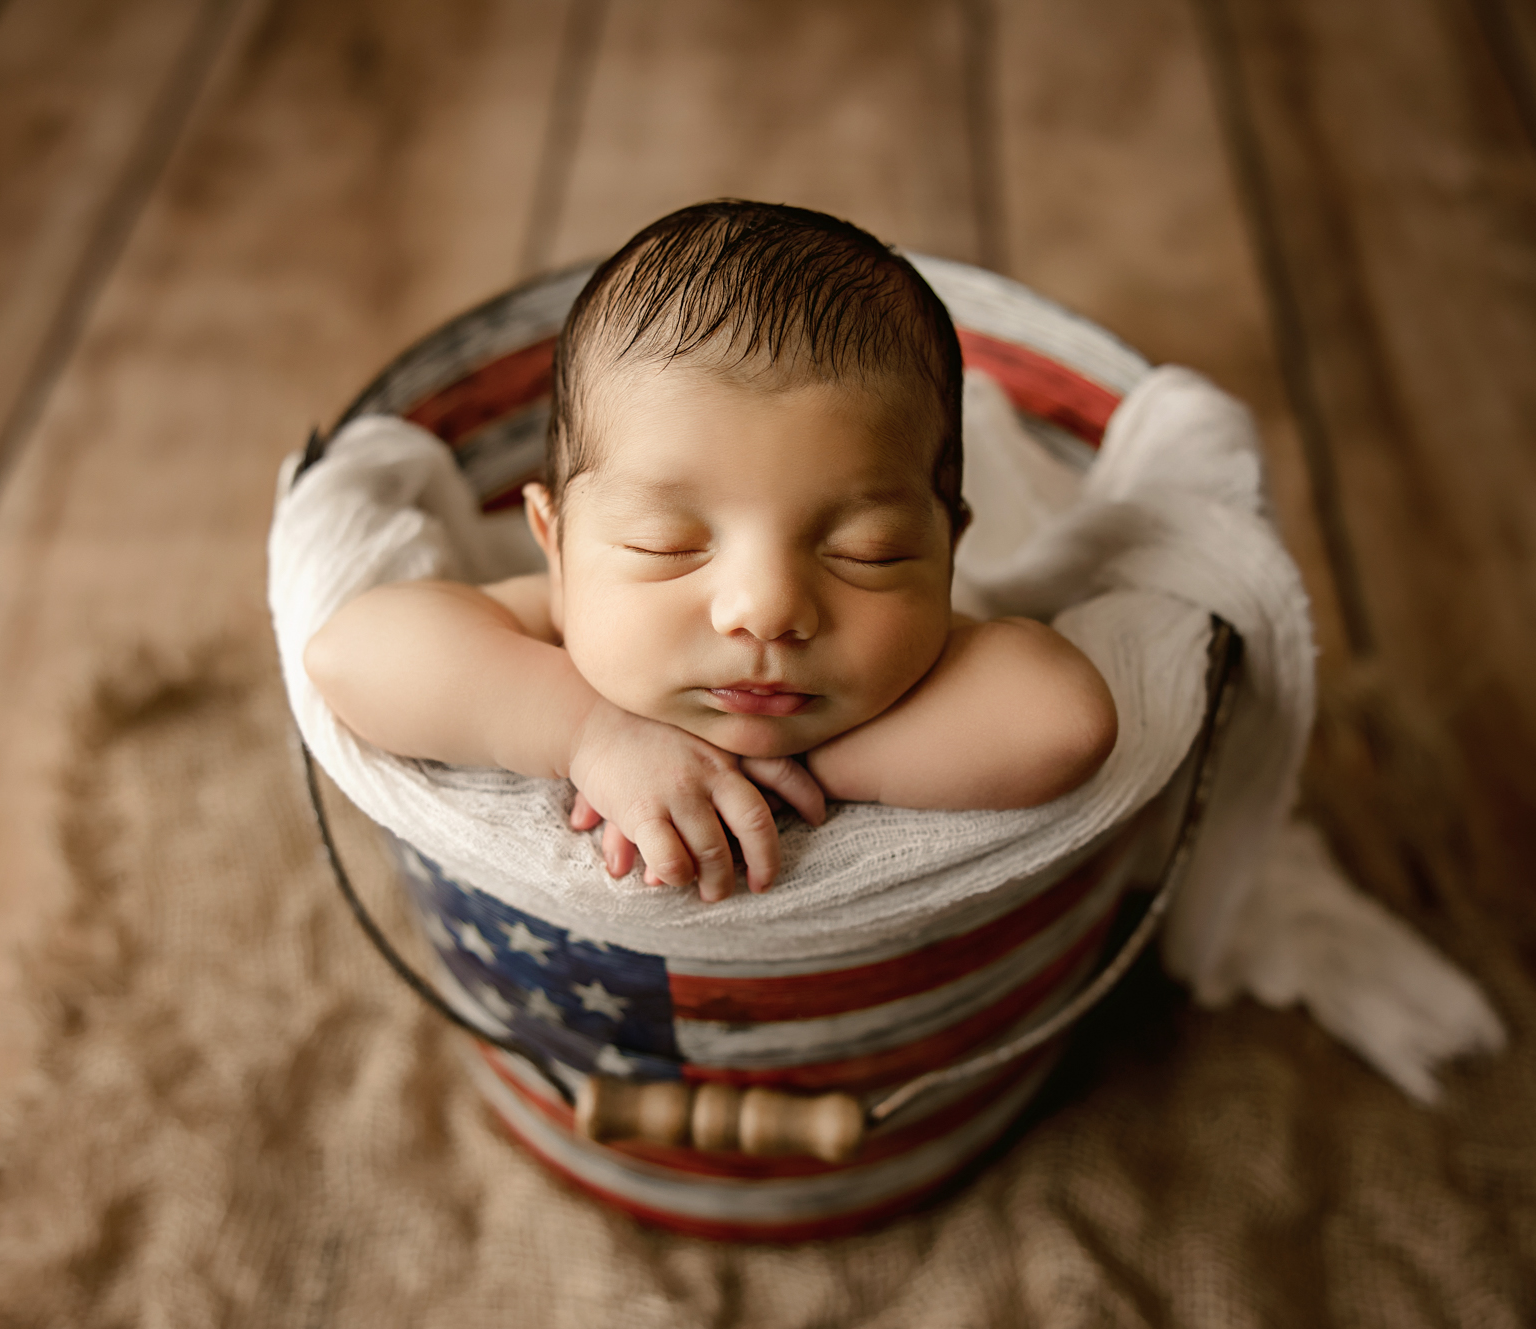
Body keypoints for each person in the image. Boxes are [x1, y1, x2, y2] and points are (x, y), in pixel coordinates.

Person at [306, 201, 1117, 903]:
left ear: (947, 552)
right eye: (669, 545)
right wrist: (589, 731)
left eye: (866, 552)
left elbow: (1067, 723)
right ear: (557, 549)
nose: (766, 607)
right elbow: (350, 653)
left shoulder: (917, 664)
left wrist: (803, 764)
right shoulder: (548, 628)